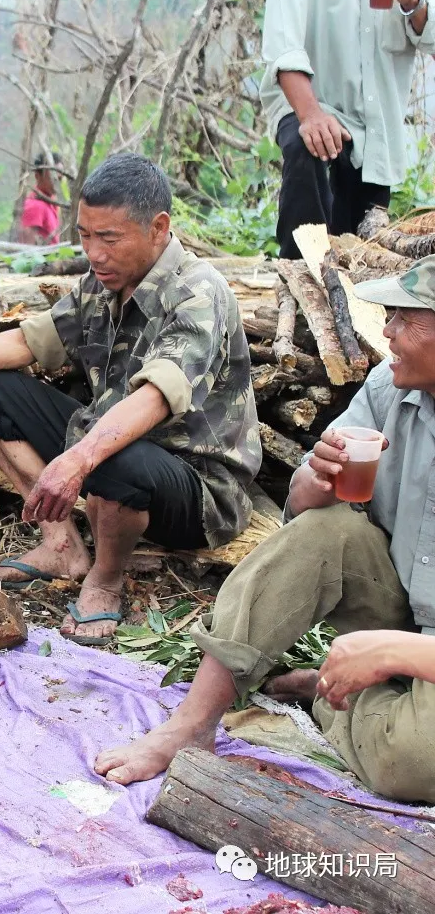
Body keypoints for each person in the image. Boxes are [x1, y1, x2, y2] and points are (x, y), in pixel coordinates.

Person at [94, 256, 435, 803]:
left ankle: (332, 691)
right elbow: (300, 510)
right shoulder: (388, 390)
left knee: (412, 764)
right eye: (389, 315)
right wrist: (317, 481)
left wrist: (400, 655)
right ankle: (194, 721)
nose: (388, 332)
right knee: (326, 529)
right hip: (396, 602)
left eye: (407, 319)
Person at [0, 154, 261, 645]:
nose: (94, 253)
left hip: (197, 489)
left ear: (158, 228)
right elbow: (29, 340)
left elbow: (155, 398)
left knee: (113, 452)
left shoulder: (197, 294)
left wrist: (79, 459)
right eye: (85, 236)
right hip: (113, 449)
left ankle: (106, 579)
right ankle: (62, 545)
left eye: (109, 238)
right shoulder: (104, 283)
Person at [262, 0, 433, 259]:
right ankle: (299, 271)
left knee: (361, 252)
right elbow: (283, 47)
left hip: (375, 128)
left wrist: (412, 3)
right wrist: (311, 115)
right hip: (308, 101)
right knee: (306, 150)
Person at [17, 153, 63, 246]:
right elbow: (26, 248)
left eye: (60, 178)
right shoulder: (34, 206)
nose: (57, 182)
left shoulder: (52, 202)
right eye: (53, 178)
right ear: (37, 176)